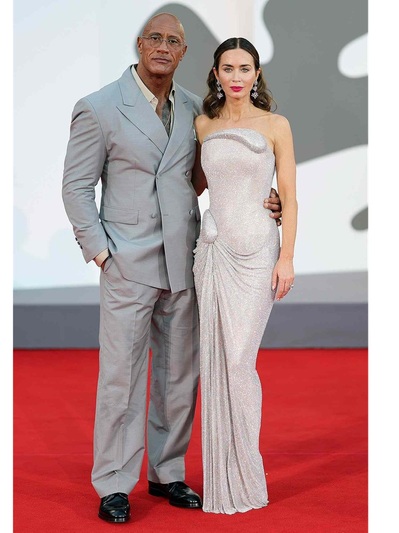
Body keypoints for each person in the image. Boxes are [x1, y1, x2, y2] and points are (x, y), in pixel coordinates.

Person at [62, 13, 282, 523]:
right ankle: (114, 483)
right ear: (140, 45)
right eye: (156, 38)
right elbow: (76, 186)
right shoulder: (99, 107)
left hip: (187, 258)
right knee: (121, 377)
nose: (164, 47)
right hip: (126, 262)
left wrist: (263, 197)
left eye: (174, 41)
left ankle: (168, 472)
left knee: (179, 375)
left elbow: (206, 178)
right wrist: (101, 251)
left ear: (183, 53)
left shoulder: (193, 108)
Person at [193, 37, 298, 514]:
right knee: (217, 361)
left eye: (245, 68)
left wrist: (287, 257)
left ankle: (247, 473)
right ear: (216, 74)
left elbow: (289, 197)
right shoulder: (203, 125)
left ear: (257, 74)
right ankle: (223, 473)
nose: (236, 76)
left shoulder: (276, 125)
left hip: (257, 252)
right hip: (213, 253)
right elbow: (196, 185)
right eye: (228, 68)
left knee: (239, 360)